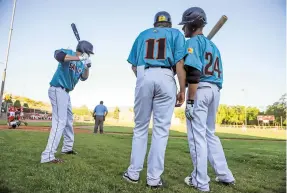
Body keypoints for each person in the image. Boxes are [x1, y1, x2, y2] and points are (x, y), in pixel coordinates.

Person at [122, 11, 187, 188]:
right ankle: (153, 179)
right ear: (169, 23)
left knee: (140, 128)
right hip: (167, 76)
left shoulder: (143, 34)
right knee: (161, 131)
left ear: (155, 23)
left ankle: (133, 174)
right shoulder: (176, 34)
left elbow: (134, 66)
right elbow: (180, 64)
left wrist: (143, 80)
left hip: (145, 73)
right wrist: (182, 89)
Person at [178, 7, 235, 192]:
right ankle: (225, 175)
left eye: (185, 24)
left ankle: (200, 181)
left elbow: (194, 74)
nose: (183, 28)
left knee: (197, 137)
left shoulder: (194, 42)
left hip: (200, 90)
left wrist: (191, 101)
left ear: (191, 24)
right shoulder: (213, 47)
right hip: (215, 91)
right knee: (210, 134)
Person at [40, 40, 94, 164]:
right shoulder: (69, 53)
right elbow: (58, 55)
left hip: (66, 93)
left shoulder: (81, 63)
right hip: (57, 88)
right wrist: (79, 57)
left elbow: (84, 78)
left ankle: (67, 148)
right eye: (89, 53)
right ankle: (47, 156)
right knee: (60, 122)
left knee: (69, 121)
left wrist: (86, 67)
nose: (89, 55)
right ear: (84, 50)